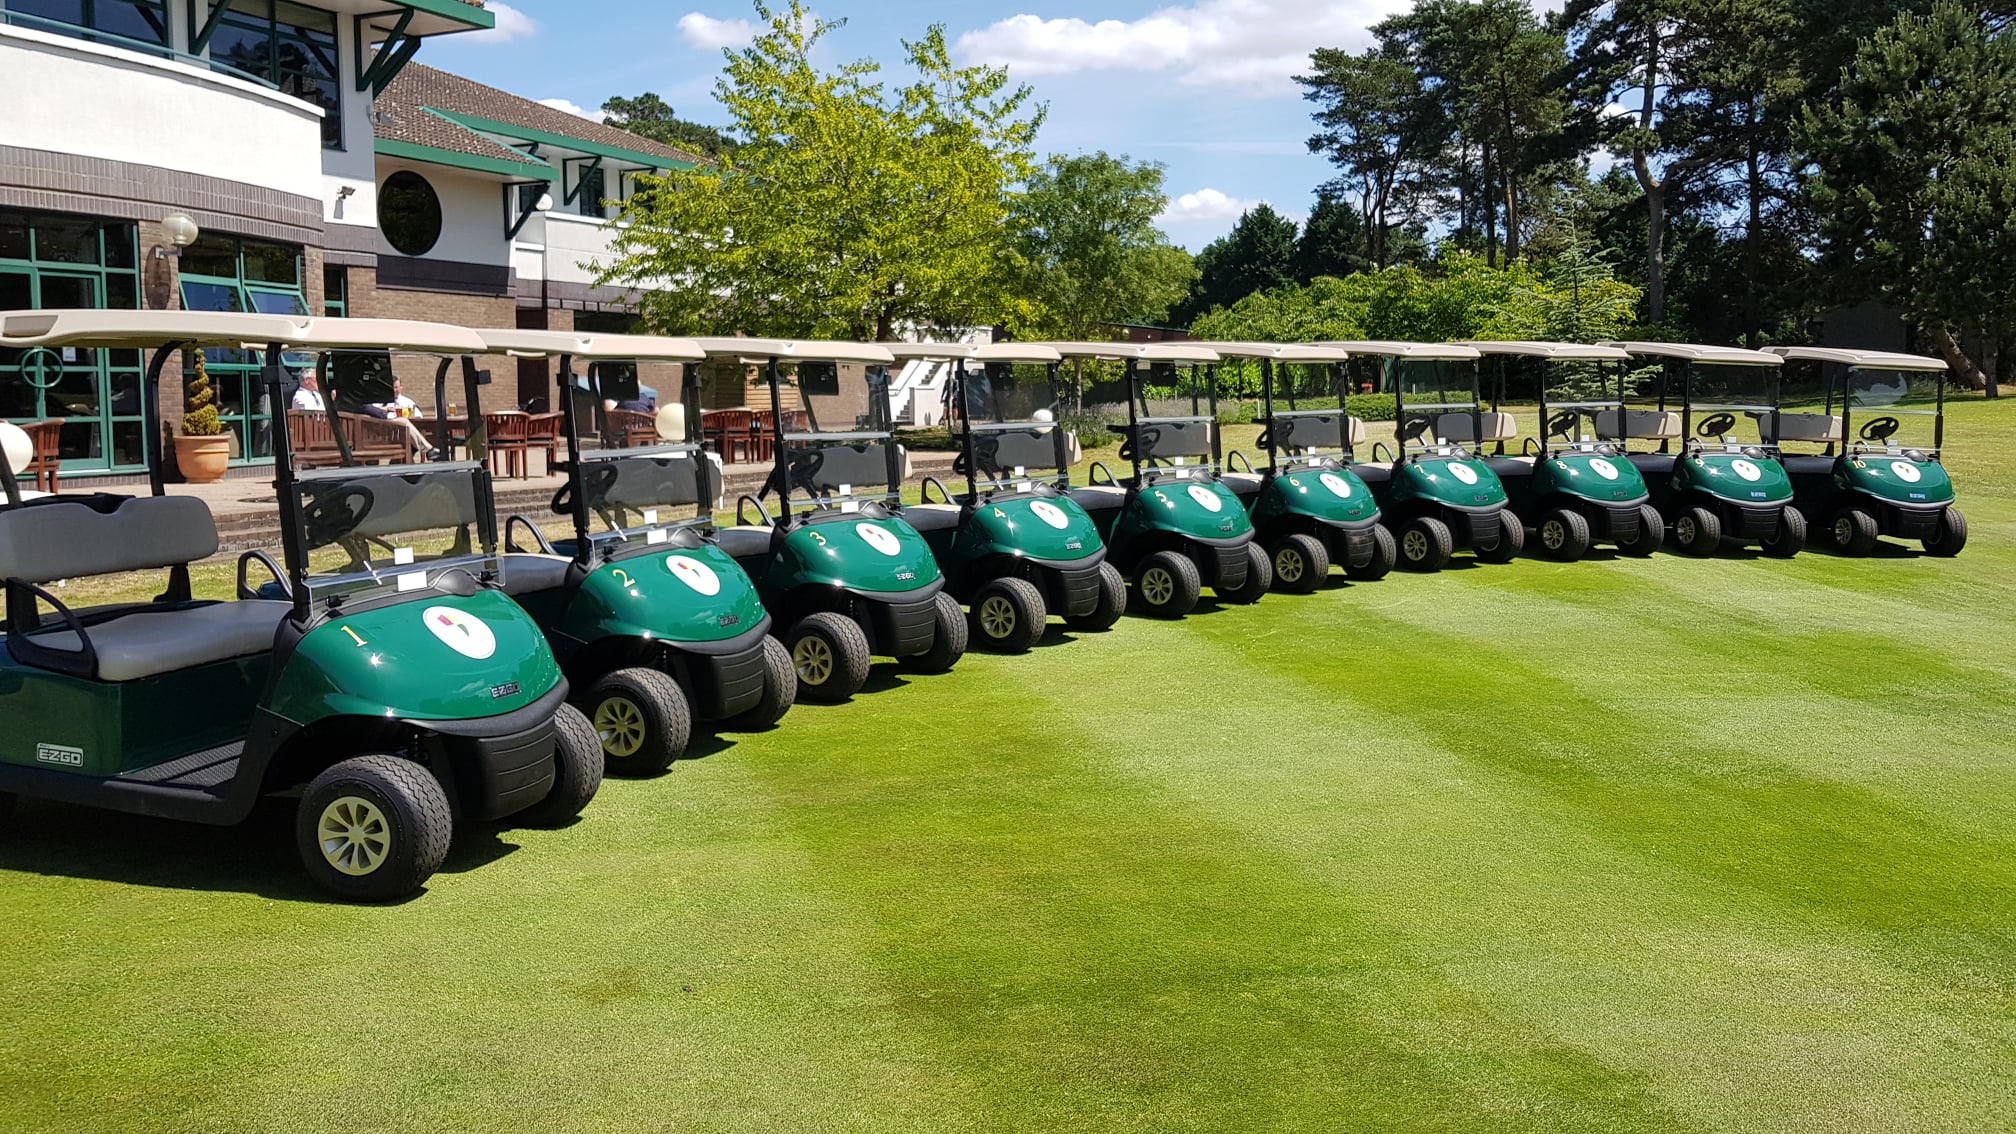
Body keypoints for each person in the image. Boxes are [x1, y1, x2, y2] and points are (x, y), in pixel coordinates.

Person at [372, 379, 437, 460]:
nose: (395, 390)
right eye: (392, 388)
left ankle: (425, 452)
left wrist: (405, 412)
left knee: (409, 435)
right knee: (405, 425)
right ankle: (428, 450)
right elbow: (371, 411)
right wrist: (385, 409)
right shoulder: (379, 401)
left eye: (396, 387)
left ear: (401, 387)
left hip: (404, 434)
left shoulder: (407, 401)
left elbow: (418, 414)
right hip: (384, 434)